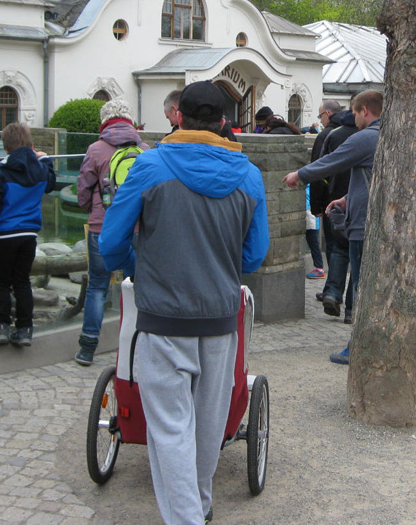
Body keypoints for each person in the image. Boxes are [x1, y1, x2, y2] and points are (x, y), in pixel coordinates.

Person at [99, 80, 269, 524]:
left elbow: (112, 242)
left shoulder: (150, 166)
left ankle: (189, 518)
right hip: (219, 317)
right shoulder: (249, 175)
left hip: (162, 318)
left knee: (170, 429)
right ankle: (201, 507)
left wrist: (138, 263)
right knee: (208, 426)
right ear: (223, 121)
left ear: (178, 116)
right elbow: (253, 255)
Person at [282, 89, 382, 364]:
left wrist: (299, 175)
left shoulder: (367, 137)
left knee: (363, 290)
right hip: (368, 219)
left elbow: (330, 162)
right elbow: (378, 181)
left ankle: (359, 348)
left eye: (355, 111)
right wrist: (349, 199)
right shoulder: (389, 137)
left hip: (364, 226)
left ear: (364, 111)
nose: (353, 117)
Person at [73, 99, 149, 366]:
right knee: (141, 283)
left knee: (97, 286)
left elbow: (83, 188)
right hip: (139, 227)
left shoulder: (95, 149)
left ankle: (87, 348)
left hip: (102, 225)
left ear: (104, 121)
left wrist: (91, 210)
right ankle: (141, 344)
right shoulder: (144, 149)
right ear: (130, 119)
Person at [0, 123, 56, 347]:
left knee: (1, 282)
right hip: (28, 234)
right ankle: (25, 329)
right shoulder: (39, 169)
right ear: (31, 145)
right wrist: (45, 157)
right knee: (22, 282)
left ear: (6, 148)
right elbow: (50, 183)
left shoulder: (1, 171)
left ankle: (1, 327)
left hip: (3, 235)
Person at [312, 107, 358, 323]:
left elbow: (321, 170)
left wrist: (317, 205)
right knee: (359, 256)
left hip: (336, 201)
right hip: (361, 204)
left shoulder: (333, 135)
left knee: (339, 249)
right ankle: (351, 309)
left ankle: (332, 292)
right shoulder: (374, 136)